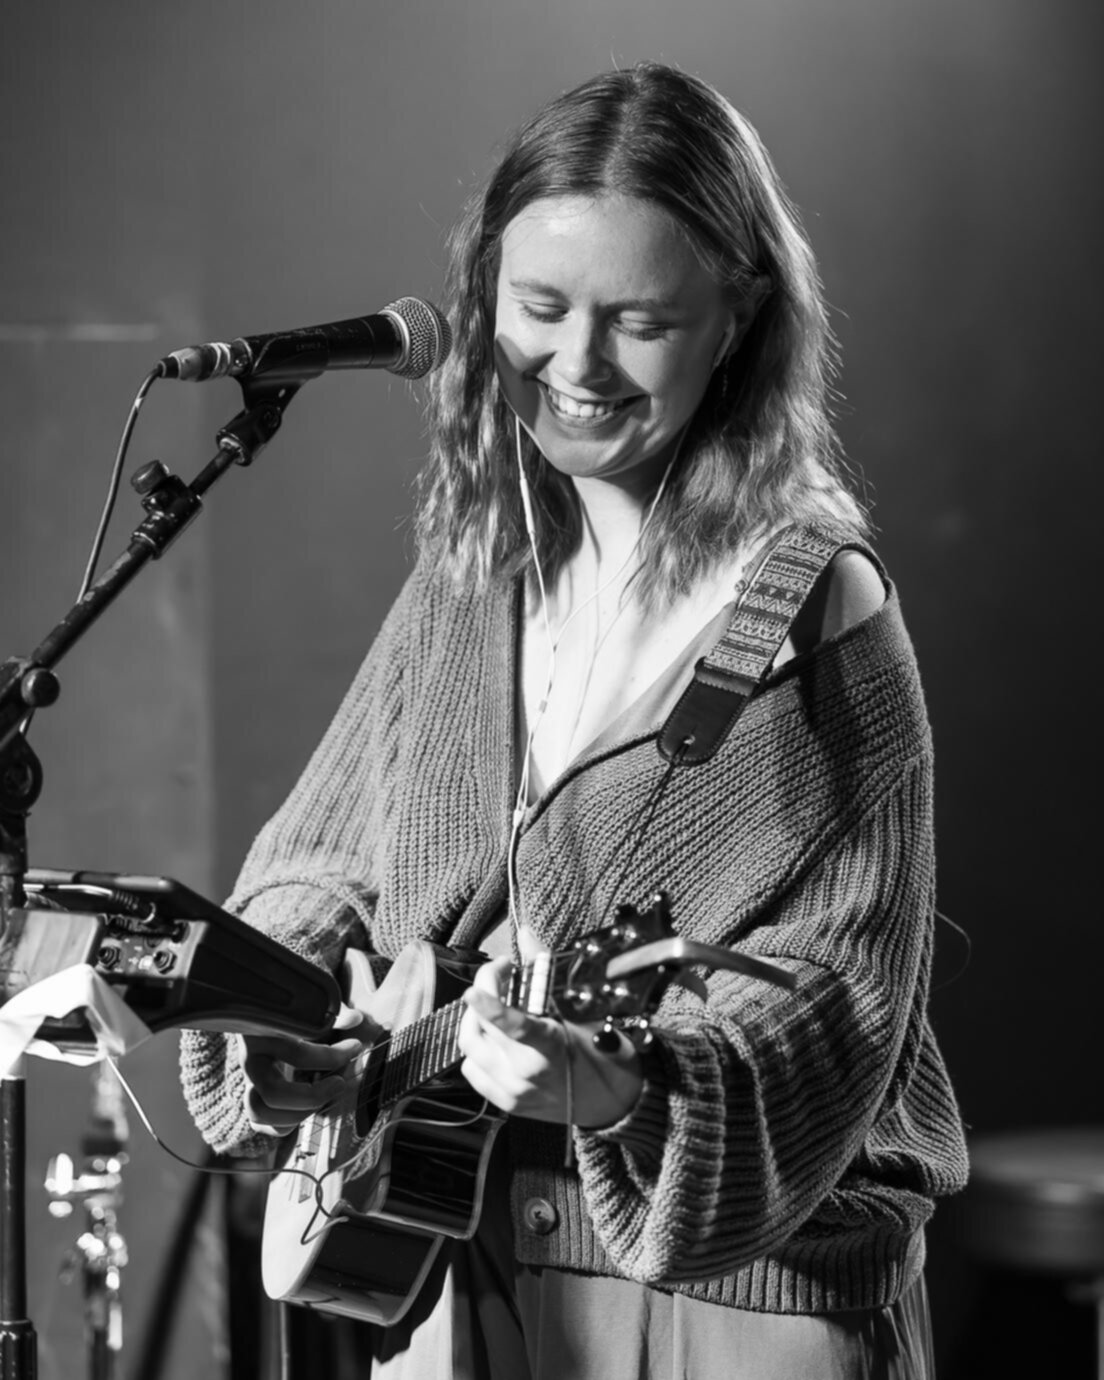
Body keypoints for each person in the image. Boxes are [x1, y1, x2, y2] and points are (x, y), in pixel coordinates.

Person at [180, 62, 968, 1379]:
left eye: (640, 321)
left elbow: (841, 990)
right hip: (447, 1239)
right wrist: (295, 1008)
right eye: (538, 308)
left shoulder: (812, 600)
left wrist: (633, 1085)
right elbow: (325, 853)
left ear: (739, 318)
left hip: (740, 1301)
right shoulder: (480, 562)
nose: (577, 366)